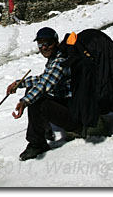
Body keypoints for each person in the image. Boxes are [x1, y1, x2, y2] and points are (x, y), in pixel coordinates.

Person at [6, 26, 82, 161]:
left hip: (77, 118)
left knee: (37, 99)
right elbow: (43, 78)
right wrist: (19, 83)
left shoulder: (60, 61)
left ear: (56, 42)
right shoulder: (56, 57)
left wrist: (24, 101)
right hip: (71, 107)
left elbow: (44, 85)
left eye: (47, 43)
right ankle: (43, 128)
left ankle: (37, 144)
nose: (43, 47)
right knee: (33, 91)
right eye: (40, 44)